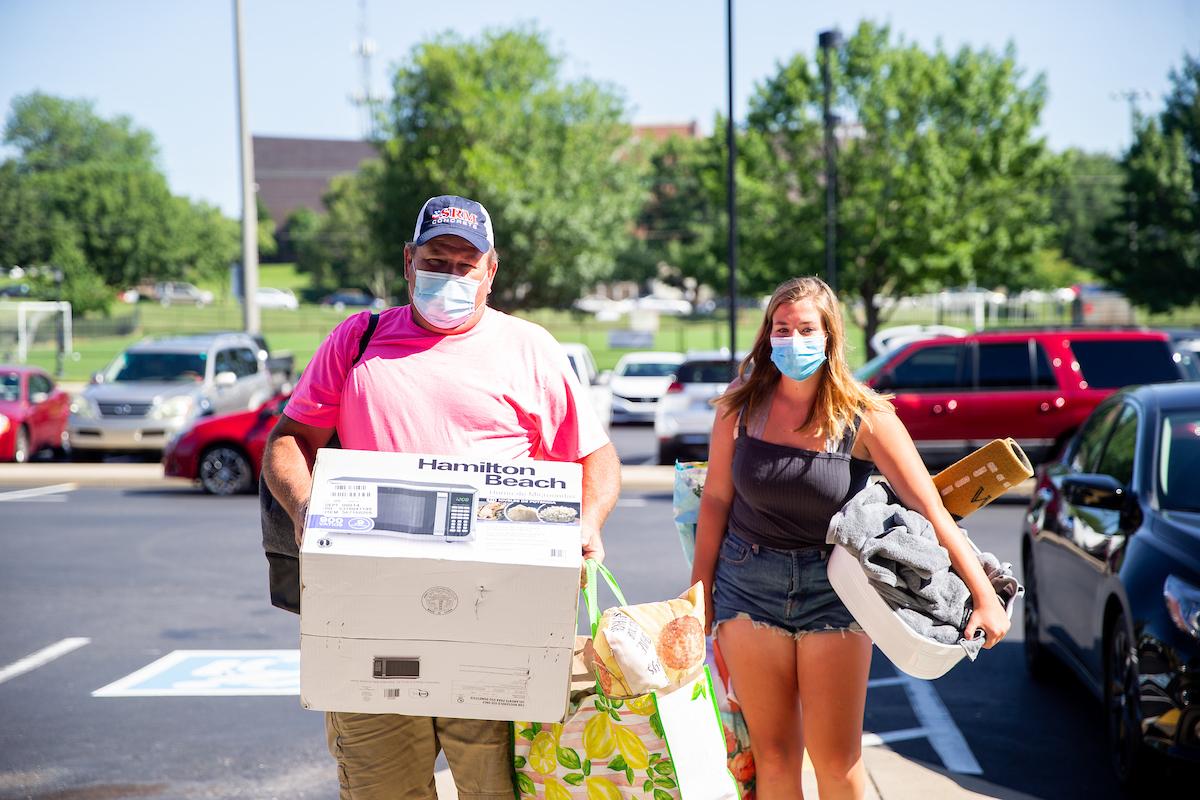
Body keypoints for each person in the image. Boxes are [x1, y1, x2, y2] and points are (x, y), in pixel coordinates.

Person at [262, 194, 621, 800]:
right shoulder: (358, 341)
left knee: (499, 789)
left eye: (465, 264)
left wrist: (587, 522)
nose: (450, 276)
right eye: (436, 261)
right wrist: (306, 510)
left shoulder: (531, 349)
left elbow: (597, 459)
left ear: (490, 270)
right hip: (372, 615)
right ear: (408, 262)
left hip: (502, 618)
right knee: (383, 791)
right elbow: (287, 443)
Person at [690, 276, 1009, 800]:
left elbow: (929, 506)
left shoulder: (864, 414)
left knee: (837, 761)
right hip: (747, 584)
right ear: (768, 334)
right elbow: (718, 499)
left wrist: (982, 594)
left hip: (835, 590)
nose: (793, 340)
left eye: (806, 329)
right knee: (773, 757)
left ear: (830, 336)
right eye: (782, 328)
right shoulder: (740, 406)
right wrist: (698, 590)